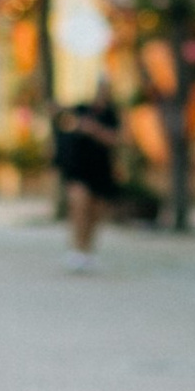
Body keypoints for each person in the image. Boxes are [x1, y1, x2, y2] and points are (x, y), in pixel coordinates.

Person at [54, 84, 121, 266]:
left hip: (101, 169)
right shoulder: (82, 109)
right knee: (79, 205)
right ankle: (76, 248)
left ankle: (88, 249)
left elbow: (119, 139)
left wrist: (95, 130)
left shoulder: (113, 114)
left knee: (96, 212)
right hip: (79, 168)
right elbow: (64, 119)